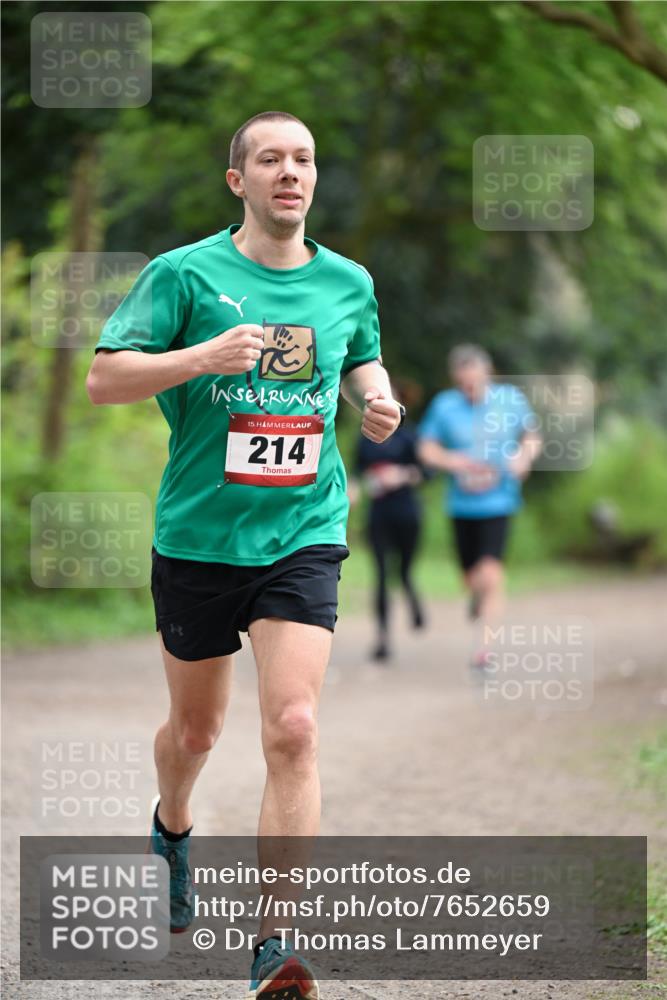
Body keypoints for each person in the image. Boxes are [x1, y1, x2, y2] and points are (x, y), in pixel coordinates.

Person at [86, 111, 403, 1000]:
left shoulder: (348, 282)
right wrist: (197, 358)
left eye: (303, 157)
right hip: (197, 538)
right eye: (270, 159)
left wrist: (376, 403)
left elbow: (365, 362)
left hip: (303, 529)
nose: (289, 172)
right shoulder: (182, 274)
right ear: (240, 181)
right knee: (195, 733)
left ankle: (275, 938)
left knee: (293, 729)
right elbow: (104, 377)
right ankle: (173, 826)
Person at [417, 345, 542, 669]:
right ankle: (477, 596)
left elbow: (531, 436)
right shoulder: (444, 406)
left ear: (488, 373)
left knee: (491, 572)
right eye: (463, 383)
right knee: (472, 578)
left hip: (499, 501)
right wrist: (451, 460)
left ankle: (484, 650)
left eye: (474, 381)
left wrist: (523, 456)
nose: (469, 388)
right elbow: (426, 448)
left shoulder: (510, 400)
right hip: (461, 506)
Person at [350, 378, 425, 662]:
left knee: (403, 570)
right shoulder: (365, 438)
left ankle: (412, 596)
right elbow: (357, 472)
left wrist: (402, 475)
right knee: (380, 575)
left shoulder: (410, 436)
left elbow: (425, 472)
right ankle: (383, 638)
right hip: (378, 514)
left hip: (407, 513)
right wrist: (354, 489)